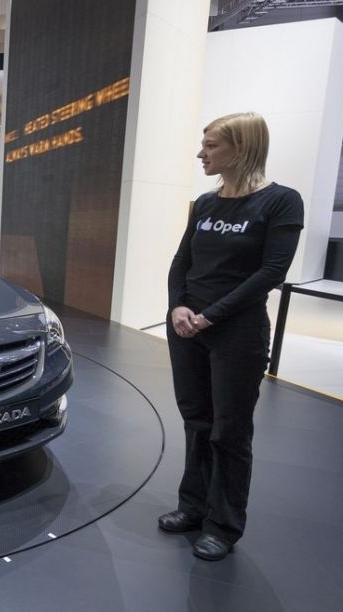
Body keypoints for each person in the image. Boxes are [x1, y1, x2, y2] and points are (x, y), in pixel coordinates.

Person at [159, 112, 304, 561]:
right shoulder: (205, 203)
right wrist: (178, 307)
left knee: (230, 432)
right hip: (187, 329)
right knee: (197, 422)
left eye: (211, 145)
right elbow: (182, 261)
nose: (200, 154)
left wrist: (209, 317)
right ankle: (193, 506)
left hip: (237, 334)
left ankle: (222, 526)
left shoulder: (281, 201)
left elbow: (271, 272)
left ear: (241, 148)